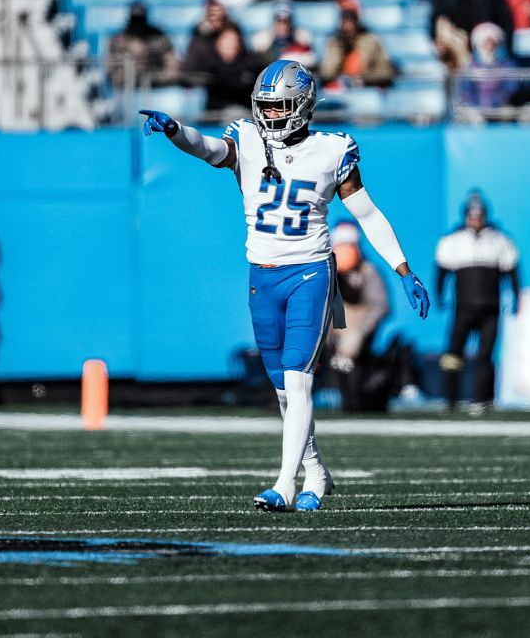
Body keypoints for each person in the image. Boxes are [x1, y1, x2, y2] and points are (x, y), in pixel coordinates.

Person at [138, 59, 431, 512]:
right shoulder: (249, 139)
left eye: (279, 107)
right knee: (283, 390)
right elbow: (208, 149)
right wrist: (176, 129)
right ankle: (316, 472)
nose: (269, 116)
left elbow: (367, 214)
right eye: (265, 106)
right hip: (262, 275)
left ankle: (285, 485)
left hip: (310, 274)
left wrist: (403, 269)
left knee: (298, 383)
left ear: (303, 106)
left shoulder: (333, 150)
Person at [435, 192, 519, 415]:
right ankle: (450, 398)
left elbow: (512, 270)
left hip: (490, 308)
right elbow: (442, 271)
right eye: (471, 215)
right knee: (453, 354)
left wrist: (517, 297)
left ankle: (483, 398)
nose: (475, 219)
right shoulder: (453, 240)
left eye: (479, 215)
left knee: (485, 355)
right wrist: (439, 294)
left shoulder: (499, 239)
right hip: (463, 307)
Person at [327, 221, 391, 412]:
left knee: (351, 358)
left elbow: (380, 306)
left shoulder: (368, 272)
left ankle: (356, 400)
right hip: (332, 329)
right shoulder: (325, 271)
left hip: (358, 329)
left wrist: (360, 334)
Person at [108, 1, 181, 88]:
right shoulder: (118, 39)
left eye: (140, 20)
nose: (138, 24)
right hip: (128, 81)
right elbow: (112, 71)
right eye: (134, 20)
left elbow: (171, 59)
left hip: (155, 78)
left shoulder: (158, 36)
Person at [318, 9, 397, 89]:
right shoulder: (335, 42)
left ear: (357, 23)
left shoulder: (371, 41)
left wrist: (363, 80)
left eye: (350, 22)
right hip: (340, 88)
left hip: (368, 87)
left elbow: (385, 71)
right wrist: (339, 48)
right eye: (344, 22)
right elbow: (327, 72)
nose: (348, 27)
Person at [457, 22, 519, 110]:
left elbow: (511, 87)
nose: (488, 45)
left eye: (492, 42)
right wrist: (476, 104)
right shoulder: (470, 65)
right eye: (485, 42)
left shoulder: (507, 64)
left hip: (501, 106)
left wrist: (495, 102)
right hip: (475, 107)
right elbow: (466, 89)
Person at [200, 27, 263, 113]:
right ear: (218, 43)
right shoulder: (208, 62)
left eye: (235, 40)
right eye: (228, 41)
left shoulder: (251, 63)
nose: (232, 44)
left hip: (245, 110)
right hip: (216, 112)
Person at [184, 0, 242, 73]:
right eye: (212, 13)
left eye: (220, 12)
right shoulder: (200, 36)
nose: (216, 17)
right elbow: (193, 67)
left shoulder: (233, 30)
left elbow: (243, 58)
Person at [251, 5, 318, 68]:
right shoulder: (263, 42)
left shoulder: (302, 41)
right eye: (279, 21)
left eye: (286, 21)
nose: (283, 26)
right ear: (274, 23)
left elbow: (311, 62)